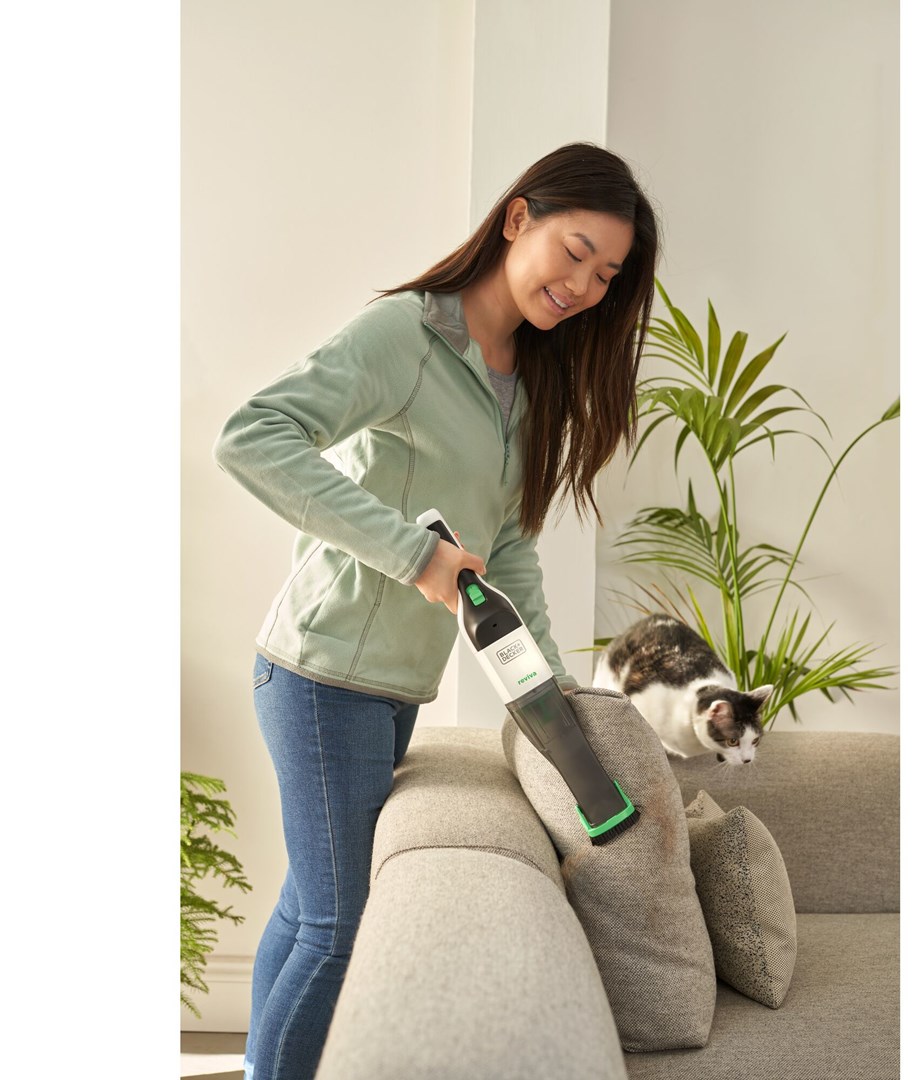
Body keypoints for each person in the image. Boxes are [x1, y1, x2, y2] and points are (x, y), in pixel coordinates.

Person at [212, 141, 661, 1080]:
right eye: (576, 252)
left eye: (607, 276)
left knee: (307, 907)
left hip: (393, 686)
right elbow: (253, 436)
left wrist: (553, 691)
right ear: (518, 219)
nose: (585, 286)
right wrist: (413, 554)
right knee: (340, 927)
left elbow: (512, 549)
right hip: (321, 673)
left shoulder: (528, 379)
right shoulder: (405, 337)